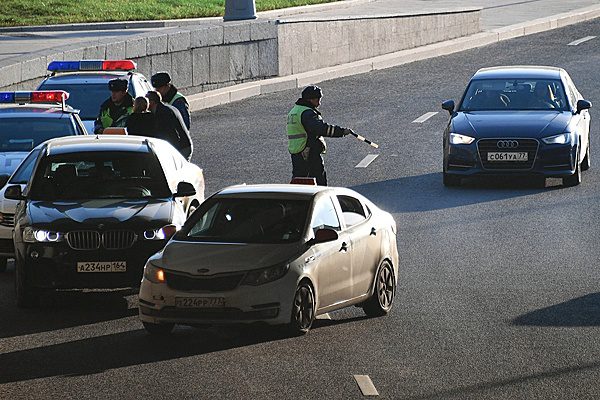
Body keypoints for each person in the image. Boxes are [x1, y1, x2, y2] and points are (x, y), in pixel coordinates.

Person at [286, 85, 353, 186]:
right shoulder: (307, 113)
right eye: (318, 99)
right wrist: (341, 132)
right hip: (308, 150)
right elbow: (321, 129)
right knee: (318, 179)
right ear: (310, 99)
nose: (319, 102)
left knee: (299, 179)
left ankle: (297, 200)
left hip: (297, 150)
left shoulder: (295, 111)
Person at [145, 91, 193, 161]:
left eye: (146, 101)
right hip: (184, 145)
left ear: (151, 102)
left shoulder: (164, 113)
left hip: (181, 148)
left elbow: (171, 135)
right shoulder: (166, 108)